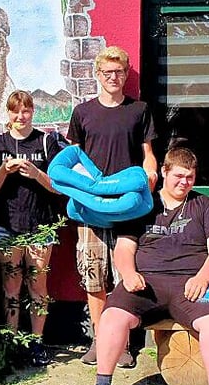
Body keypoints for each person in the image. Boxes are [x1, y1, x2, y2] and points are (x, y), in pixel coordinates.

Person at [90, 148, 209, 385]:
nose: (184, 182)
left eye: (190, 177)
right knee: (112, 317)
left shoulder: (207, 207)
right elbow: (124, 249)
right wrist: (128, 273)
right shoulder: (141, 205)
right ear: (164, 172)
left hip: (193, 283)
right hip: (146, 282)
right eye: (178, 176)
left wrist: (203, 277)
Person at [66, 46, 158, 367]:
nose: (113, 77)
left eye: (118, 72)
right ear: (97, 74)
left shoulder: (139, 110)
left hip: (128, 208)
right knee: (94, 276)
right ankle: (99, 339)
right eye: (107, 72)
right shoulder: (83, 112)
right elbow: (74, 158)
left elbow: (148, 154)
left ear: (126, 73)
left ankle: (123, 344)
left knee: (123, 277)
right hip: (90, 209)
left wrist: (151, 173)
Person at [0, 91, 65, 365]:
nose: (21, 116)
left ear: (33, 112)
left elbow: (59, 187)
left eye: (26, 111)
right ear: (8, 113)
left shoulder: (46, 141)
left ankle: (37, 342)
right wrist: (4, 171)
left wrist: (36, 173)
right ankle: (12, 341)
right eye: (15, 111)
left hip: (40, 225)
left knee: (38, 286)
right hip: (7, 225)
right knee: (11, 286)